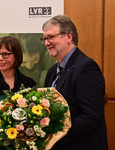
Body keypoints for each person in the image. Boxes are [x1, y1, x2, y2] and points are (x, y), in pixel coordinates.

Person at [41, 15, 107, 150]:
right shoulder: (52, 71)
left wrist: (56, 134)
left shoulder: (86, 67)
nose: (47, 43)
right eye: (45, 39)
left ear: (69, 37)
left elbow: (92, 117)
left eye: (51, 37)